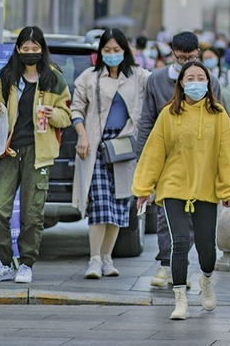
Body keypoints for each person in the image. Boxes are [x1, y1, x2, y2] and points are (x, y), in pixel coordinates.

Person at [132, 61, 230, 320]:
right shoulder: (168, 114)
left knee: (206, 248)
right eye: (189, 77)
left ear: (208, 82)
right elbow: (154, 153)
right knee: (178, 242)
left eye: (200, 77)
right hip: (173, 188)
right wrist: (144, 188)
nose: (195, 81)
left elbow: (227, 154)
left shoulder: (219, 114)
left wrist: (227, 189)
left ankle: (206, 280)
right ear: (181, 82)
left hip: (206, 190)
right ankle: (180, 300)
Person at [0, 27, 72, 284]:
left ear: (42, 50)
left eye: (35, 49)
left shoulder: (54, 79)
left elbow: (66, 115)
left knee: (32, 213)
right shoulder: (7, 77)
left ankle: (26, 263)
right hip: (8, 150)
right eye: (26, 49)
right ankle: (4, 261)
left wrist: (51, 113)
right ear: (18, 49)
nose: (30, 53)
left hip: (39, 152)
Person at [136, 31, 222, 288]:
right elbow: (146, 121)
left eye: (192, 58)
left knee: (198, 218)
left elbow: (220, 121)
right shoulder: (157, 80)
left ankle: (184, 263)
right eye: (181, 58)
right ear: (172, 53)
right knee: (165, 215)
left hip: (200, 159)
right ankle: (167, 264)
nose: (187, 63)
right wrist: (144, 162)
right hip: (168, 158)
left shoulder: (209, 80)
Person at [70, 28, 150, 280]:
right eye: (107, 50)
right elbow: (76, 109)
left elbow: (161, 85)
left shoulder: (138, 75)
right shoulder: (88, 77)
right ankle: (94, 259)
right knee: (100, 204)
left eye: (117, 50)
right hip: (96, 146)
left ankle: (107, 258)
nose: (112, 55)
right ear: (100, 52)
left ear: (125, 50)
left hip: (125, 147)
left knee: (119, 203)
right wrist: (82, 135)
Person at [201, 46, 230, 122]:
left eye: (210, 57)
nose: (208, 60)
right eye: (206, 58)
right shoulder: (201, 74)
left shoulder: (225, 71)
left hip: (225, 106)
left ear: (217, 58)